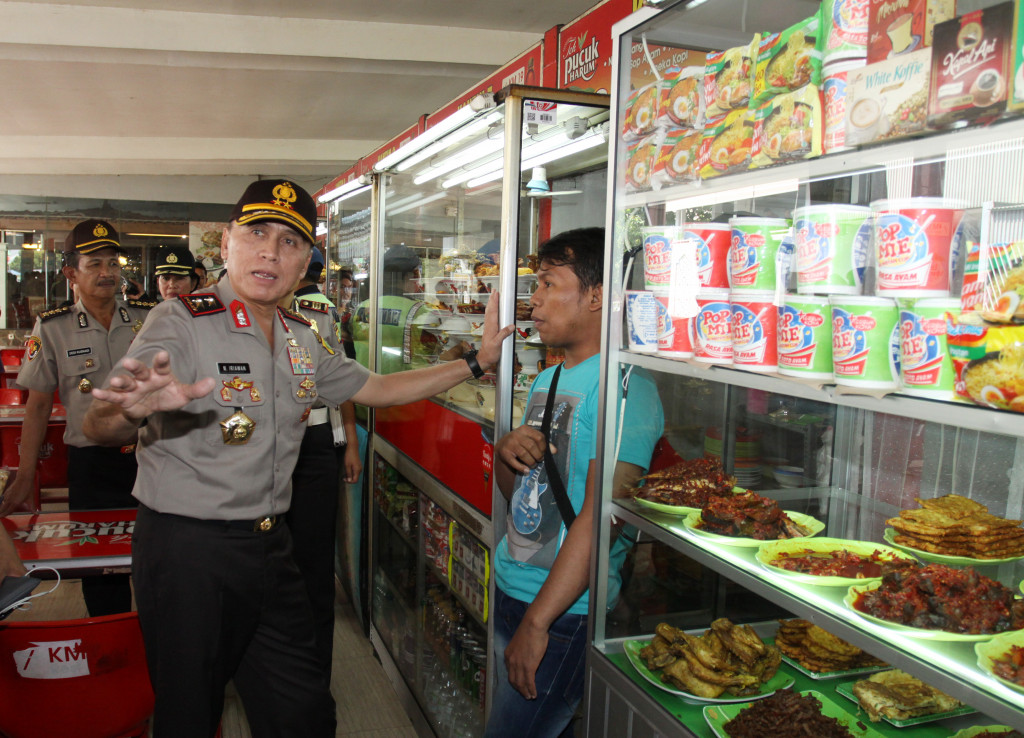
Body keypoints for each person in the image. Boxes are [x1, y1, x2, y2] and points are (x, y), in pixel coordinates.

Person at [81, 179, 513, 738]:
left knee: (303, 712)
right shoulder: (180, 321)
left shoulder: (301, 335)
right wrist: (132, 410)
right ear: (228, 240)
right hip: (189, 551)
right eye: (257, 233)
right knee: (188, 712)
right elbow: (100, 423)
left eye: (289, 242)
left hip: (270, 547)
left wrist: (475, 364)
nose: (270, 252)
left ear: (305, 260)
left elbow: (376, 387)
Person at [485, 228, 663, 738]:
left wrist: (538, 622)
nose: (534, 300)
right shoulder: (549, 378)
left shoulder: (629, 388)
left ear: (596, 295)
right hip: (513, 587)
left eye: (546, 283)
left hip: (565, 613)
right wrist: (507, 452)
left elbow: (602, 515)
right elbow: (523, 498)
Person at [0, 218, 156, 616]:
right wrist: (25, 474)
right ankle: (112, 646)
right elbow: (37, 406)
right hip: (92, 467)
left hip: (153, 459)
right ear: (71, 272)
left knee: (161, 560)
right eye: (95, 265)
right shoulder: (53, 327)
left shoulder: (150, 318)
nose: (108, 273)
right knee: (101, 571)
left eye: (113, 263)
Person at [287, 246, 362, 675]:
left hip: (315, 438)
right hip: (255, 441)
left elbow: (344, 379)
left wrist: (349, 441)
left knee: (314, 559)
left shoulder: (318, 312)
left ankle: (316, 670)